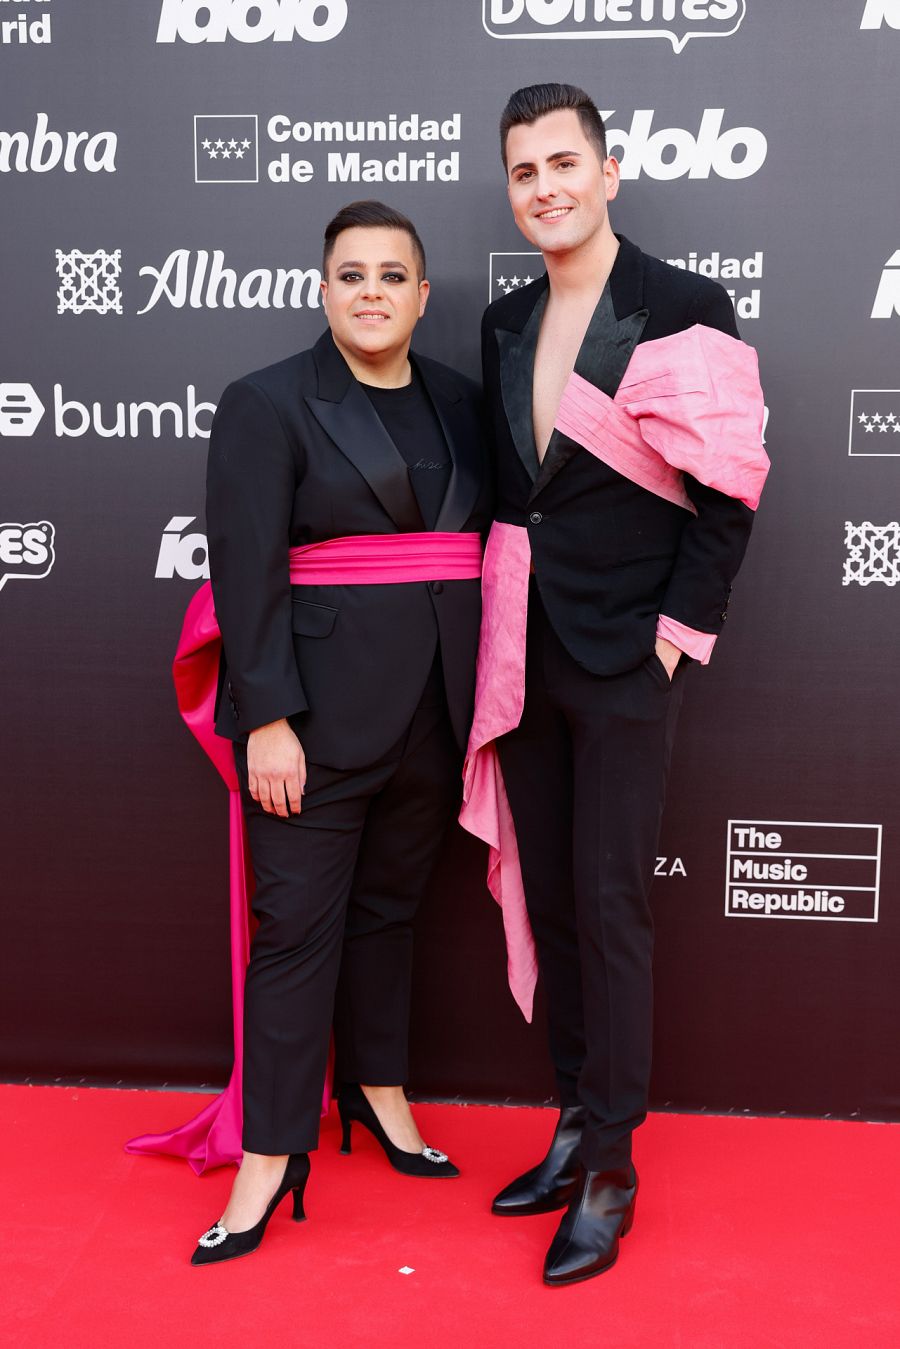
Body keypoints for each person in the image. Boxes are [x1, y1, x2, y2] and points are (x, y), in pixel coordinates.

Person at [459, 84, 769, 1286]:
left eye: (564, 162)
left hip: (629, 659)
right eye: (524, 170)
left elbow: (730, 488)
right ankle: (575, 1120)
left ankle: (613, 1168)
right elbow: (512, 494)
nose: (545, 185)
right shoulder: (501, 318)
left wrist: (674, 634)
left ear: (609, 170)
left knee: (614, 905)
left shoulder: (683, 304)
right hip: (523, 656)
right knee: (560, 907)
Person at [188, 200, 491, 1265]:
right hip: (309, 724)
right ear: (325, 288)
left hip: (434, 715)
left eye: (392, 274)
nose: (372, 290)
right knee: (295, 937)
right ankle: (269, 1157)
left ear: (419, 292)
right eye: (351, 273)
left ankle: (380, 1089)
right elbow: (246, 569)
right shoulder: (268, 403)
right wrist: (265, 716)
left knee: (389, 918)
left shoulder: (462, 401)